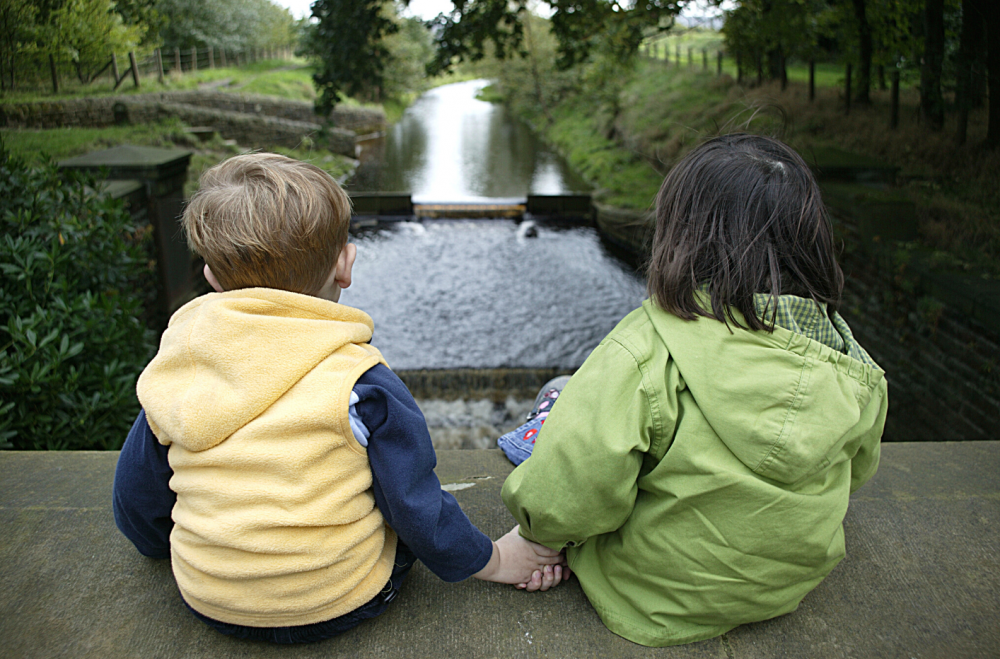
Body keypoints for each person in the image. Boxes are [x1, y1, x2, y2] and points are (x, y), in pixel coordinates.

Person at [112, 153, 567, 645]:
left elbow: (137, 498)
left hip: (209, 601)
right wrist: (494, 559)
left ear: (212, 279)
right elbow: (413, 503)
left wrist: (175, 549)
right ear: (345, 266)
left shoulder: (180, 370)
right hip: (342, 601)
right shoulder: (360, 381)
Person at [500, 134, 888, 646]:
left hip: (646, 589)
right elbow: (857, 470)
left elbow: (567, 490)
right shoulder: (847, 360)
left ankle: (543, 419)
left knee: (561, 400)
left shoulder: (646, 348)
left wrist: (534, 538)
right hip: (784, 584)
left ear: (679, 237)